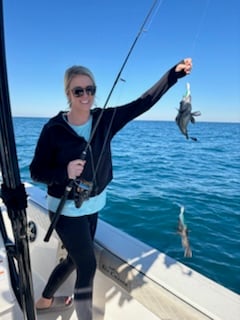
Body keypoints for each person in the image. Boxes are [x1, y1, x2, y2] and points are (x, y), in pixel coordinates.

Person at [30, 58, 192, 319]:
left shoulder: (106, 119)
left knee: (75, 259)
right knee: (87, 264)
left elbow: (144, 101)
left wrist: (172, 75)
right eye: (78, 91)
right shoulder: (53, 129)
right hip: (65, 211)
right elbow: (36, 171)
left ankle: (45, 300)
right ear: (68, 94)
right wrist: (64, 172)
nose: (86, 96)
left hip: (93, 205)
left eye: (90, 89)